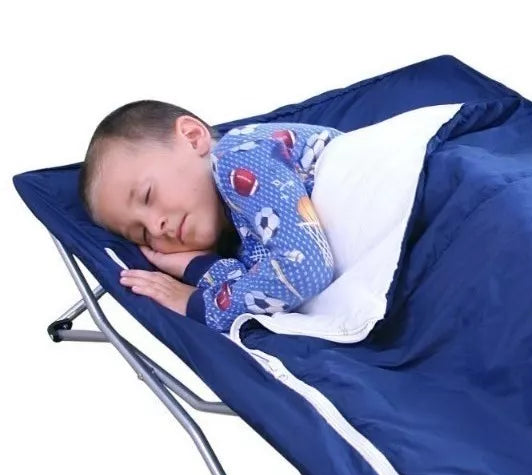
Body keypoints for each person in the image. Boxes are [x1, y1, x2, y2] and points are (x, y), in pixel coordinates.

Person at [78, 99, 343, 333]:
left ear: (193, 137)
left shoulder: (239, 154)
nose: (156, 227)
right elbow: (269, 284)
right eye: (142, 234)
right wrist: (198, 266)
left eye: (147, 195)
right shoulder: (241, 234)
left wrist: (198, 305)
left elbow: (304, 269)